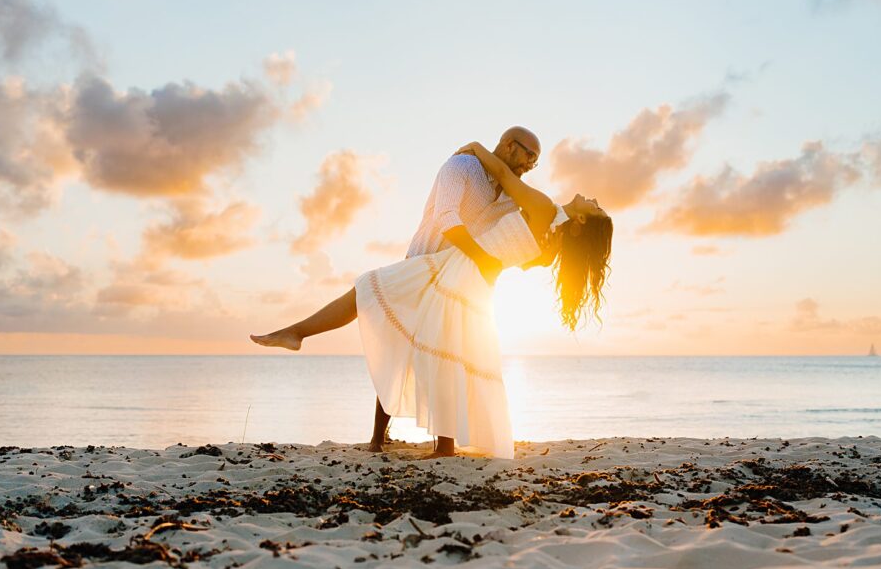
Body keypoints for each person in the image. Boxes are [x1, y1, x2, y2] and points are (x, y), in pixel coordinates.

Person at [252, 140, 612, 459]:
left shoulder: (544, 207)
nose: (592, 199)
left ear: (580, 221)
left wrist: (475, 145)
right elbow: (517, 261)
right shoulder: (551, 248)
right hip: (470, 277)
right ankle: (436, 443)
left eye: (595, 208)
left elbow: (502, 173)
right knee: (442, 347)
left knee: (376, 294)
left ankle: (442, 446)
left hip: (459, 269)